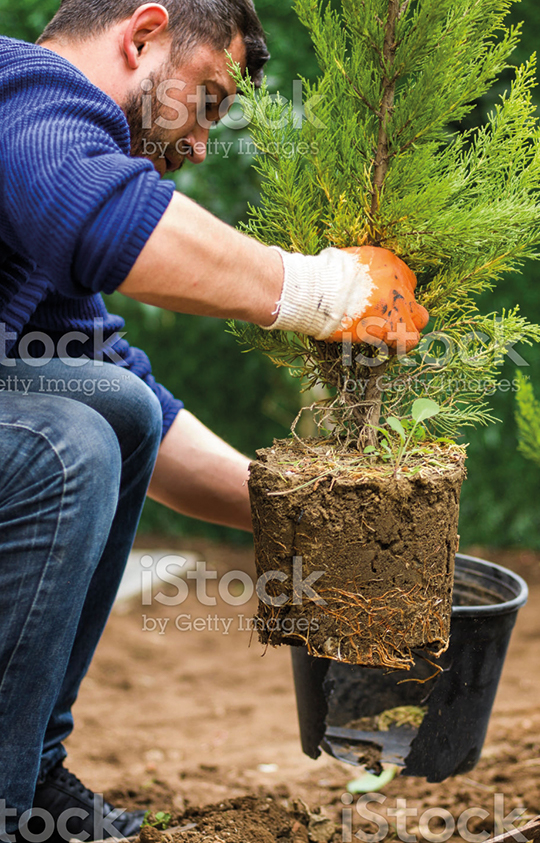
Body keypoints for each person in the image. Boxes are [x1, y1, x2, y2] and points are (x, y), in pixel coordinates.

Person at [0, 2, 429, 841]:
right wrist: (326, 293)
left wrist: (315, 521)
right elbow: (102, 220)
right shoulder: (24, 90)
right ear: (144, 33)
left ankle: (27, 776)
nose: (199, 144)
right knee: (67, 445)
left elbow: (138, 411)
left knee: (112, 409)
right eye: (209, 99)